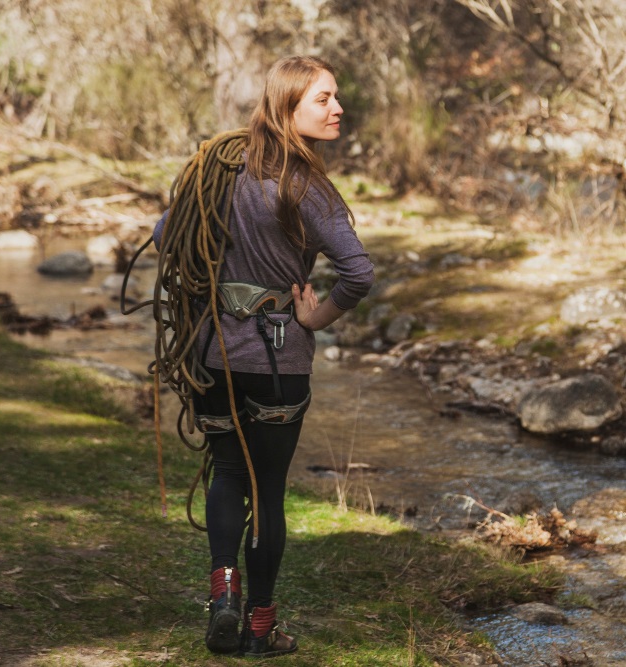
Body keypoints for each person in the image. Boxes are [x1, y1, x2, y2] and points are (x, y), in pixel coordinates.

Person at [153, 55, 374, 658]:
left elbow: (163, 234)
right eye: (323, 99)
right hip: (277, 360)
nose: (337, 109)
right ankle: (259, 629)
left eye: (335, 97)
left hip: (212, 357)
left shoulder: (218, 174)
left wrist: (214, 277)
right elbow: (358, 273)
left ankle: (223, 595)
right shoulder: (307, 185)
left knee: (229, 473)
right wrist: (316, 316)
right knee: (268, 490)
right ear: (287, 109)